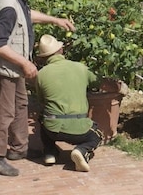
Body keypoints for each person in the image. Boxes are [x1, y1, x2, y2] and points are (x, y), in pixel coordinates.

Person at [0, 0, 75, 177]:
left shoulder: (18, 0)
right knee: (5, 112)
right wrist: (25, 63)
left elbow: (26, 15)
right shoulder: (8, 7)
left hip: (14, 68)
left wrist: (55, 20)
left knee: (21, 104)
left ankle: (19, 149)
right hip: (3, 69)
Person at [35, 34, 102, 172]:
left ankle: (50, 153)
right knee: (97, 135)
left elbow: (41, 101)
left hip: (52, 129)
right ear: (61, 50)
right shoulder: (81, 68)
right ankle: (81, 150)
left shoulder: (41, 74)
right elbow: (98, 82)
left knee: (43, 117)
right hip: (79, 129)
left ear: (43, 57)